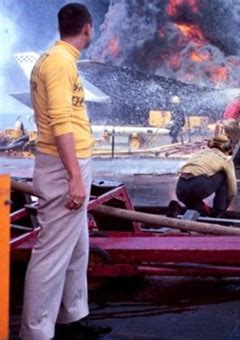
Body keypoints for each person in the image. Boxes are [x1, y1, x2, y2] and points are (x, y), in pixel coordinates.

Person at [21, 4, 110, 339]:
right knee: (53, 253)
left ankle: (72, 319)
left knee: (76, 247)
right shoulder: (58, 63)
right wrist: (74, 176)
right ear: (87, 28)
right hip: (62, 168)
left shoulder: (56, 60)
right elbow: (60, 123)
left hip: (69, 163)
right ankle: (36, 333)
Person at [173, 134, 237, 217]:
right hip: (198, 187)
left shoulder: (199, 153)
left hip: (180, 188)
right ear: (227, 148)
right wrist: (226, 205)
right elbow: (232, 190)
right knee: (224, 176)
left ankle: (180, 211)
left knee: (199, 211)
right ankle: (218, 212)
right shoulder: (226, 159)